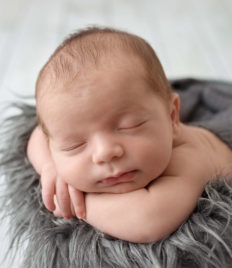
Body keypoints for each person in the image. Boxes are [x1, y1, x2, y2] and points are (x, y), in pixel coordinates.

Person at [27, 26, 232, 243]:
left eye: (129, 126)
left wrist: (76, 202)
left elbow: (148, 220)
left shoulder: (188, 156)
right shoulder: (62, 134)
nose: (105, 153)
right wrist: (49, 167)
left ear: (173, 118)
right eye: (74, 144)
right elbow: (39, 134)